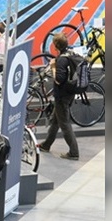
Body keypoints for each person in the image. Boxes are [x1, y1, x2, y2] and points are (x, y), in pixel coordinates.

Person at [37, 32, 80, 161]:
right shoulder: (71, 54)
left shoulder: (61, 60)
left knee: (65, 124)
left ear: (55, 46)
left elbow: (59, 80)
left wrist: (53, 66)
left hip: (62, 95)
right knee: (55, 121)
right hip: (69, 92)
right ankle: (46, 145)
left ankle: (74, 152)